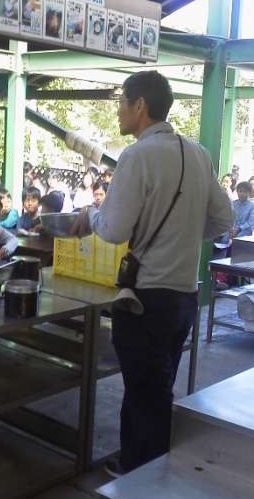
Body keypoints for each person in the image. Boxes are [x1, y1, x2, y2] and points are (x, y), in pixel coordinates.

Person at [73, 70, 233, 476]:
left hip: (145, 299)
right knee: (155, 386)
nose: (118, 111)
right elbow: (223, 220)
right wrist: (183, 237)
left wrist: (89, 216)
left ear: (140, 105)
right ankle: (139, 465)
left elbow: (113, 230)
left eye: (122, 102)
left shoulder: (137, 156)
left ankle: (144, 480)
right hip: (184, 298)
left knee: (146, 392)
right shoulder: (197, 153)